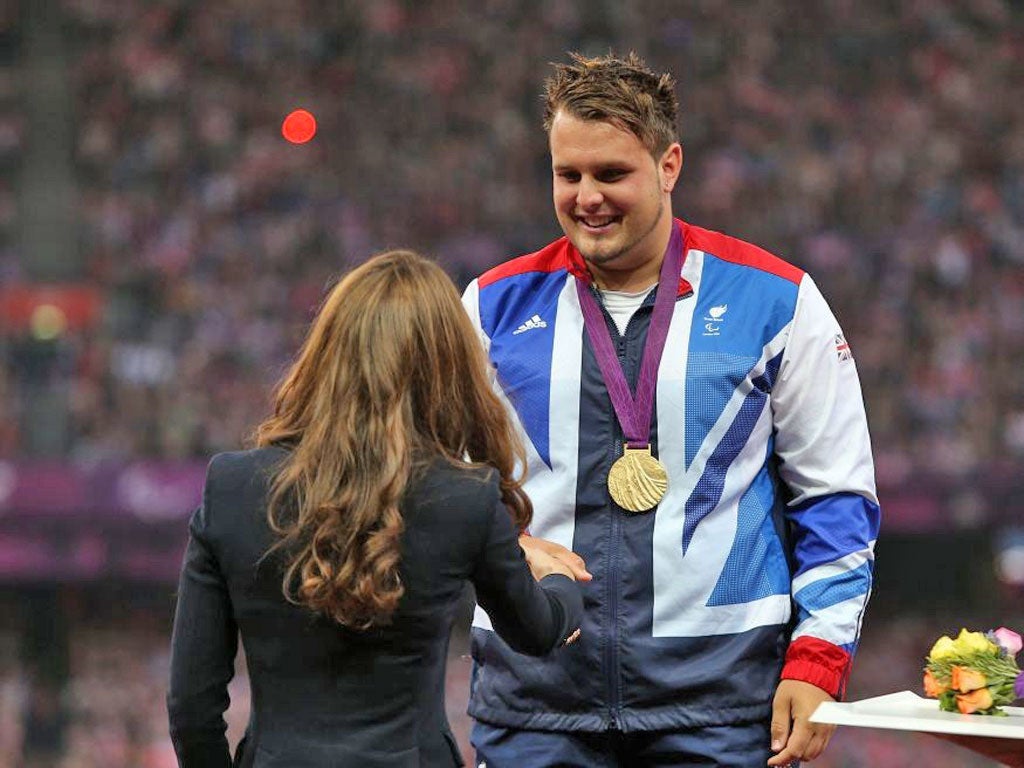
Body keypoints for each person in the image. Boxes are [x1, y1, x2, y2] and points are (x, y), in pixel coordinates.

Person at [461, 52, 881, 767]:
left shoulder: (777, 301)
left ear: (668, 165)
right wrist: (502, 545)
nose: (586, 197)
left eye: (611, 174)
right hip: (535, 706)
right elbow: (443, 486)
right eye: (568, 175)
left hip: (720, 709)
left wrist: (819, 662)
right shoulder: (492, 308)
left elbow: (836, 497)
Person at [166, 250, 584, 768]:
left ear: (327, 354)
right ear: (446, 366)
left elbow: (190, 708)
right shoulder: (465, 498)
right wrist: (557, 579)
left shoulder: (230, 486)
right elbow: (539, 632)